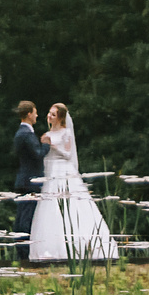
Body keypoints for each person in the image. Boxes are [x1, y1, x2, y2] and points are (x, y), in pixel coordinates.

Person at [28, 102, 119, 264]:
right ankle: (49, 249)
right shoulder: (47, 133)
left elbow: (68, 154)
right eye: (49, 113)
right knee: (50, 209)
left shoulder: (66, 133)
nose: (49, 116)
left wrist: (52, 145)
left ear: (61, 118)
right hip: (50, 174)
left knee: (72, 206)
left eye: (53, 114)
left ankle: (82, 247)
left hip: (63, 172)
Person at [10, 101, 47, 241]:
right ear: (29, 114)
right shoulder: (26, 133)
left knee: (22, 216)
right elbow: (37, 154)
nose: (37, 115)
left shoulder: (22, 132)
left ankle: (22, 250)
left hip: (24, 180)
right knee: (26, 218)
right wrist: (46, 145)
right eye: (35, 112)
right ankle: (23, 253)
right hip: (30, 181)